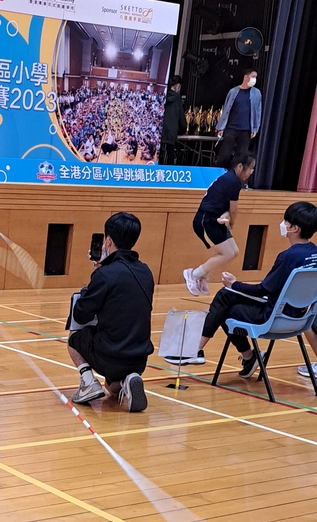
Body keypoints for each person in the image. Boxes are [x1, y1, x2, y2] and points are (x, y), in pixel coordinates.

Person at [180, 201, 317, 377]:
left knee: (224, 304)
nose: (283, 224)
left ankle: (198, 350)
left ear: (294, 228)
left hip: (275, 319)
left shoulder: (288, 257)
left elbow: (262, 290)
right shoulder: (314, 253)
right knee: (226, 298)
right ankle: (242, 356)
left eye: (286, 221)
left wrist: (234, 284)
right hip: (301, 318)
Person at [66, 212, 153, 412]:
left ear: (108, 241)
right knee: (111, 390)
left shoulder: (105, 274)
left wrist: (97, 273)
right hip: (139, 359)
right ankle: (128, 380)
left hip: (110, 357)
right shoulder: (146, 272)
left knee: (74, 335)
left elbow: (81, 315)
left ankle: (88, 381)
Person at [183, 153, 256, 296]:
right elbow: (234, 209)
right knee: (227, 253)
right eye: (251, 168)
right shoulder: (233, 181)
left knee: (233, 252)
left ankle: (202, 275)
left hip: (216, 220)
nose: (252, 172)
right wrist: (232, 223)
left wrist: (225, 217)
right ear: (240, 166)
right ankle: (194, 274)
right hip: (206, 221)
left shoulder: (231, 179)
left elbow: (226, 207)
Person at [215, 66, 262, 169]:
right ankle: (222, 173)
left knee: (242, 155)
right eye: (253, 76)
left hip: (246, 130)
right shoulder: (233, 92)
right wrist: (221, 127)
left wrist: (255, 128)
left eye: (255, 77)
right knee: (225, 154)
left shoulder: (256, 93)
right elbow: (226, 110)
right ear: (246, 77)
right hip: (231, 128)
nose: (254, 79)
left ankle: (237, 176)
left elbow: (258, 112)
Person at [159, 75, 187, 164]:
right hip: (171, 131)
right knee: (170, 154)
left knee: (159, 154)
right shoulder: (177, 98)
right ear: (177, 85)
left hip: (161, 129)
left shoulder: (163, 96)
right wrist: (183, 129)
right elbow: (181, 116)